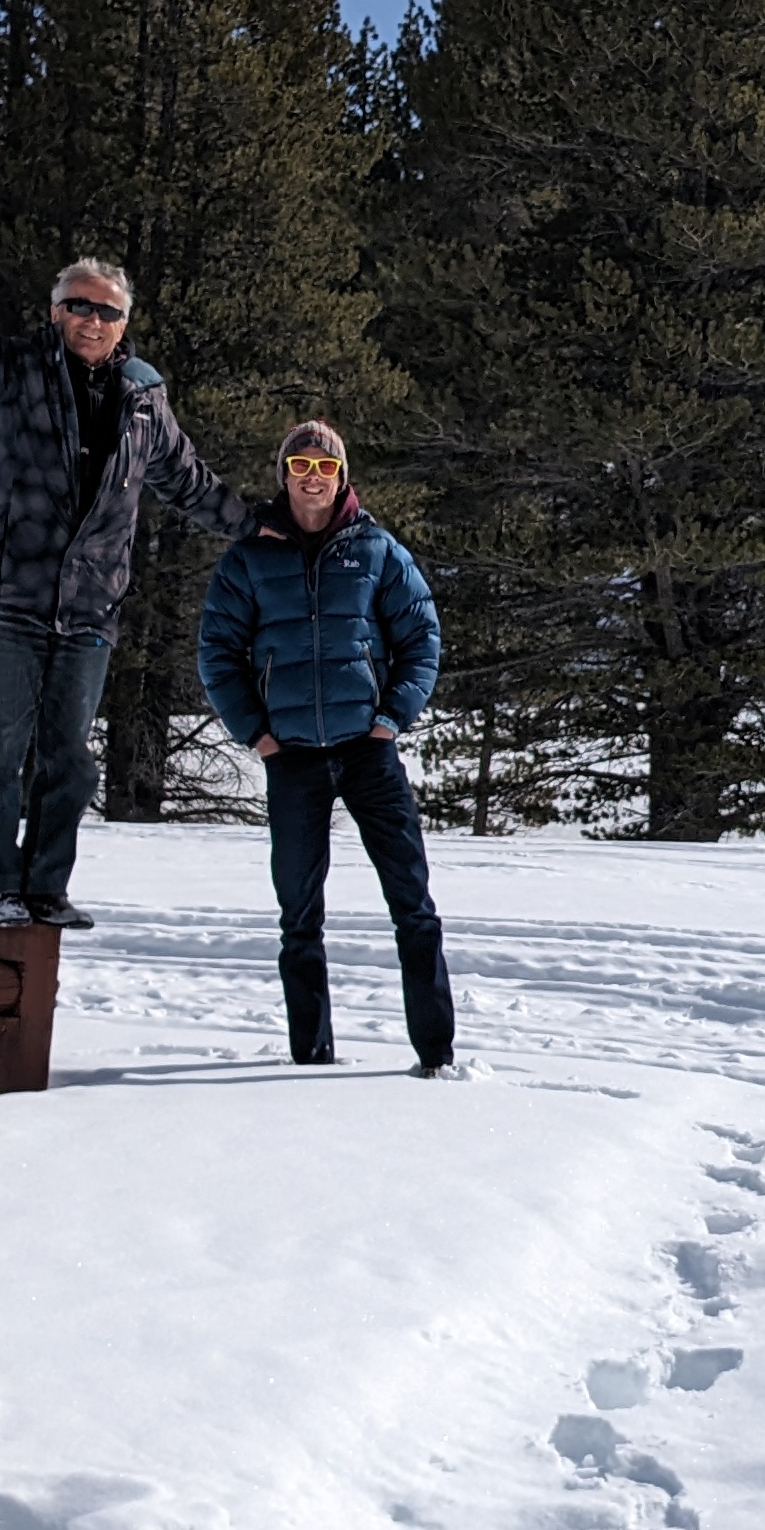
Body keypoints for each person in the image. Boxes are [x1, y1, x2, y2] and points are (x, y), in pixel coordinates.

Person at [0, 163, 253, 929]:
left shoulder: (143, 403)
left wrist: (261, 526)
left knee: (69, 760)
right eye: (79, 306)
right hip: (12, 601)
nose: (93, 320)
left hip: (89, 611)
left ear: (124, 324)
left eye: (108, 311)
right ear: (56, 311)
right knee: (1, 751)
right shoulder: (9, 370)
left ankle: (45, 889)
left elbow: (191, 484)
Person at [198, 421, 458, 1075]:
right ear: (283, 474)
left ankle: (436, 1056)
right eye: (300, 465)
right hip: (291, 758)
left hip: (368, 750)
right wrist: (257, 735)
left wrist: (391, 718)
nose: (312, 477)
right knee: (299, 918)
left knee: (413, 905)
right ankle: (310, 1061)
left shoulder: (375, 549)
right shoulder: (249, 557)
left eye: (325, 466)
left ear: (342, 476)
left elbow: (421, 638)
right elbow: (218, 652)